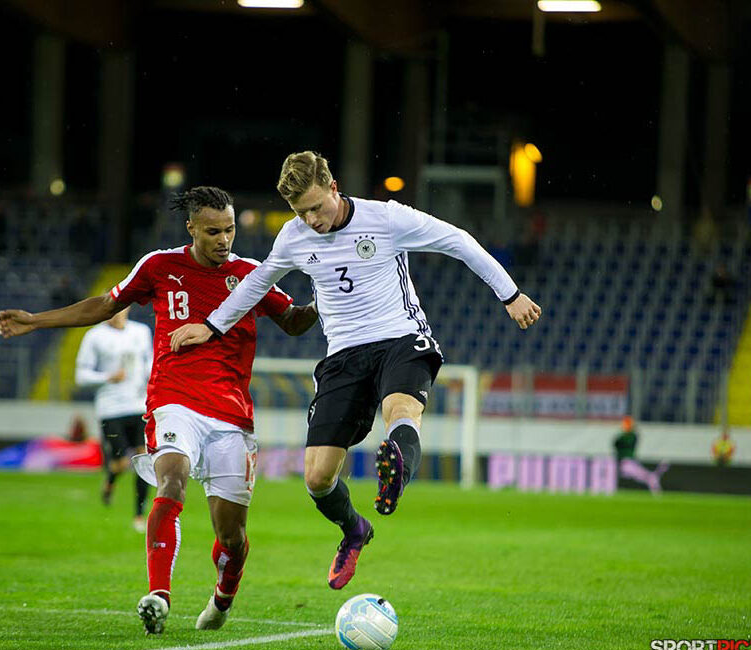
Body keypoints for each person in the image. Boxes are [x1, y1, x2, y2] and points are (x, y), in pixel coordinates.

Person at [169, 151, 542, 591]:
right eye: (300, 212)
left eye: (316, 207)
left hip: (400, 337)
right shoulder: (292, 237)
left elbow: (457, 240)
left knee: (401, 410)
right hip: (343, 355)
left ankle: (396, 470)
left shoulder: (385, 219)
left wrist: (510, 294)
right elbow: (259, 282)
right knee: (317, 478)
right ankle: (354, 529)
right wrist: (212, 325)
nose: (311, 220)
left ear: (333, 187)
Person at [0, 186, 318, 635]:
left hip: (231, 416)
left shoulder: (250, 274)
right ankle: (159, 595)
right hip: (173, 400)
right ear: (191, 229)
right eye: (212, 232)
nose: (224, 240)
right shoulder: (160, 266)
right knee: (172, 479)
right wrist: (37, 319)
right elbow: (106, 304)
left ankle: (223, 596)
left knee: (231, 536)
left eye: (230, 229)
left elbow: (294, 322)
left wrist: (330, 298)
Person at [75, 304, 153, 532]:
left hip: (139, 404)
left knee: (143, 459)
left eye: (122, 307)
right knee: (120, 463)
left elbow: (149, 361)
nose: (118, 312)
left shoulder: (141, 332)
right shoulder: (94, 336)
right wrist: (108, 377)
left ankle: (139, 516)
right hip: (111, 408)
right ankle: (110, 480)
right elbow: (81, 376)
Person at [613, 416, 668, 494]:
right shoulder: (623, 436)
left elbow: (623, 441)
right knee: (646, 476)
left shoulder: (631, 436)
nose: (623, 426)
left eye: (625, 424)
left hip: (629, 462)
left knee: (645, 476)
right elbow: (616, 443)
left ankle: (655, 485)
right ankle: (656, 480)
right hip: (624, 463)